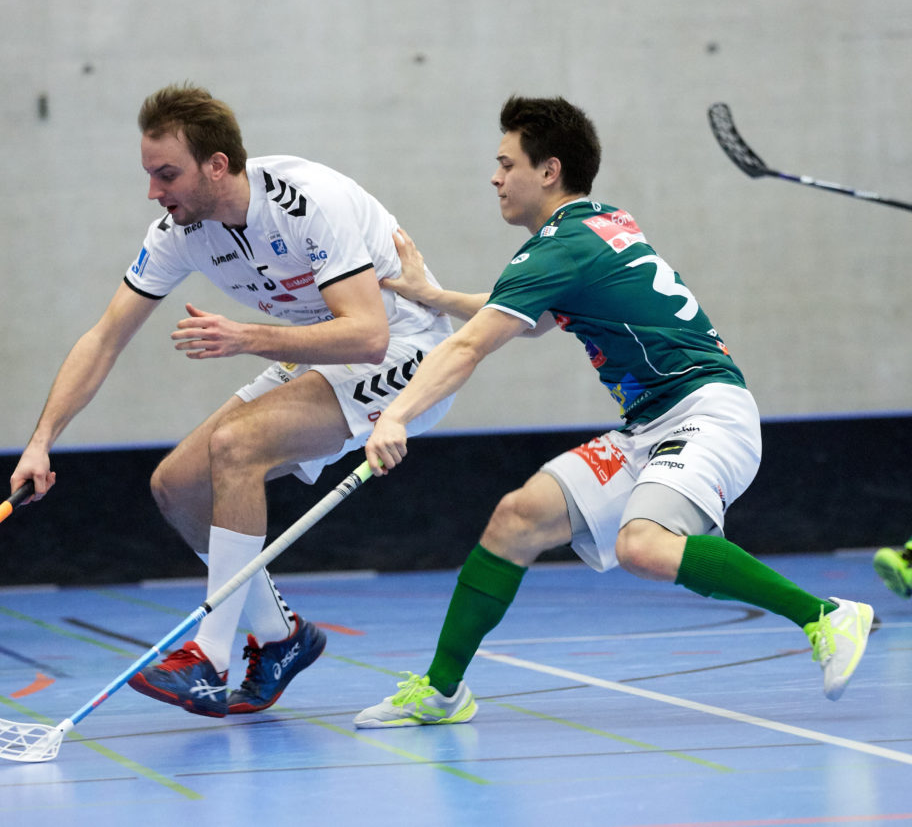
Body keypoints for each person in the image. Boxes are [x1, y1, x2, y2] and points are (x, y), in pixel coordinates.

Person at [352, 95, 874, 729]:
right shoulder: (597, 224)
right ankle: (441, 691)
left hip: (705, 414)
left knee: (644, 545)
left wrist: (396, 415)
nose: (495, 178)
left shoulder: (560, 247)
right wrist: (434, 296)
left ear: (549, 170)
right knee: (518, 518)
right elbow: (531, 318)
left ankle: (826, 618)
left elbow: (469, 347)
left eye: (507, 164)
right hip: (650, 426)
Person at [11, 84, 454, 718]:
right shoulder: (179, 232)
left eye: (167, 174)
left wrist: (247, 337)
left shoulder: (308, 203)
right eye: (149, 175)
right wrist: (40, 442)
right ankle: (280, 636)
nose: (154, 191)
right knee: (177, 485)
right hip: (320, 350)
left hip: (408, 354)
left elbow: (367, 334)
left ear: (216, 165)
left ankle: (210, 658)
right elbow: (105, 336)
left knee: (236, 445)